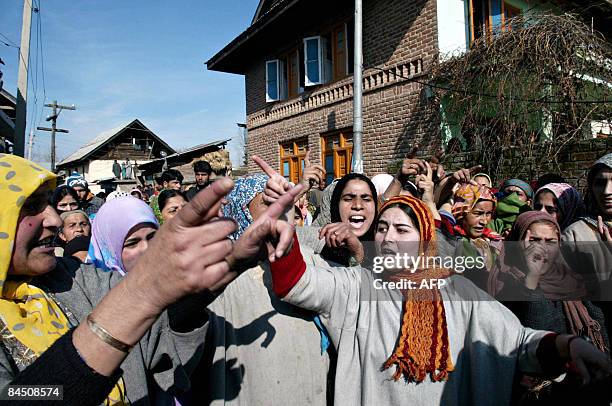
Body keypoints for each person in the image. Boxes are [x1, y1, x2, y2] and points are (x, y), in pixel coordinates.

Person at [0, 154, 301, 404]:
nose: (53, 220)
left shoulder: (74, 277)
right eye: (30, 207)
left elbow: (158, 324)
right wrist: (144, 290)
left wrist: (236, 260)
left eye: (48, 204)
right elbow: (20, 398)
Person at [268, 195, 612, 406]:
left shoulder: (459, 292)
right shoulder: (357, 286)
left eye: (402, 230)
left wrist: (567, 346)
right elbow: (299, 283)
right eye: (383, 228)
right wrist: (283, 229)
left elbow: (517, 341)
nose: (388, 237)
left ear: (426, 240)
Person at [192, 174, 330, 405]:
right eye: (268, 203)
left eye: (283, 202)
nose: (279, 210)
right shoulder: (222, 275)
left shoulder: (310, 261)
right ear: (241, 212)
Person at [496, 211, 609, 404]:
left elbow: (602, 327)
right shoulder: (504, 282)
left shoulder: (573, 279)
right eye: (534, 240)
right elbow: (534, 335)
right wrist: (532, 278)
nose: (542, 248)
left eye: (550, 241)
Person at [87, 196, 159, 276]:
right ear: (108, 251)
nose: (146, 248)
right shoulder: (93, 285)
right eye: (132, 244)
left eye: (153, 237)